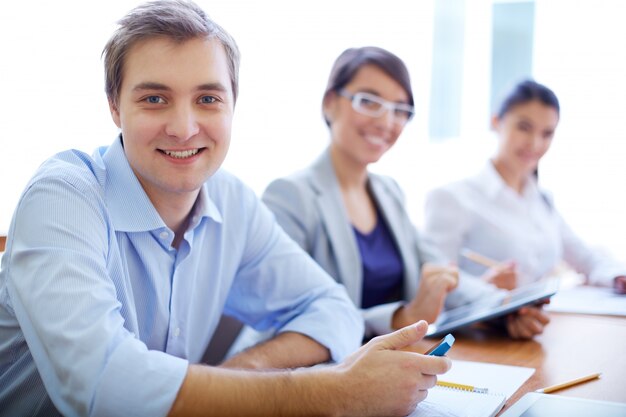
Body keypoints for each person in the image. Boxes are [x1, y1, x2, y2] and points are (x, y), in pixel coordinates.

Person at [0, 2, 451, 416]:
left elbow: (333, 309)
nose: (183, 127)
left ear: (234, 106)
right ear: (115, 107)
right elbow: (103, 386)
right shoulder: (62, 196)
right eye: (154, 98)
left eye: (208, 99)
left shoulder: (231, 200)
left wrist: (245, 370)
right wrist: (334, 391)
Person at [260, 46, 510, 339]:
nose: (386, 122)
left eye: (400, 110)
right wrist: (403, 317)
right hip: (318, 373)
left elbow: (437, 270)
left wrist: (504, 306)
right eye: (369, 101)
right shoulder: (289, 196)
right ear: (330, 103)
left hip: (393, 365)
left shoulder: (388, 192)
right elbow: (296, 317)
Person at [422, 79, 626, 303]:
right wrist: (484, 290)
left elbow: (584, 256)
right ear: (496, 122)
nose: (535, 143)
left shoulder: (541, 199)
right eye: (524, 128)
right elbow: (432, 282)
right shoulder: (452, 198)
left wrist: (617, 276)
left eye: (547, 133)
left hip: (534, 328)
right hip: (482, 332)